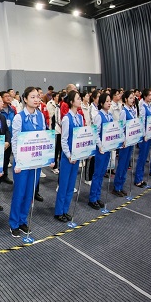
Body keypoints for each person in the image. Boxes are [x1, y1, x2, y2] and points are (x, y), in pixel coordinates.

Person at [9, 87, 47, 237]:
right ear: (25, 99)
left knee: (30, 193)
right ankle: (14, 223)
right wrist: (18, 161)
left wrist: (45, 158)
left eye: (37, 97)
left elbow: (43, 137)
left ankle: (22, 220)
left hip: (35, 160)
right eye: (32, 97)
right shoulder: (19, 117)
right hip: (22, 162)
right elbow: (15, 140)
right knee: (19, 193)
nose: (36, 99)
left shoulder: (41, 116)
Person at [54, 90, 84, 222]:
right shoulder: (66, 118)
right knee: (64, 184)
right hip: (68, 157)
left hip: (76, 156)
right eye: (78, 98)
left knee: (71, 184)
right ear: (71, 102)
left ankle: (65, 210)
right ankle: (59, 211)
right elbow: (64, 140)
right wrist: (68, 155)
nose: (80, 100)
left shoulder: (80, 117)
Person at [89, 92, 113, 208]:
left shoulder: (110, 115)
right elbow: (96, 133)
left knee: (102, 173)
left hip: (107, 148)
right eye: (107, 101)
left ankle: (97, 196)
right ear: (102, 103)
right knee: (97, 174)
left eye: (110, 101)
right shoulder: (99, 116)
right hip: (100, 149)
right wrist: (100, 146)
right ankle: (92, 198)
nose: (109, 103)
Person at [114, 90, 137, 196]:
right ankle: (117, 187)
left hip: (131, 140)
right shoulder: (124, 111)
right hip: (125, 142)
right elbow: (121, 127)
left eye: (133, 98)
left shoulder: (132, 110)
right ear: (126, 99)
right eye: (130, 98)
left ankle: (121, 185)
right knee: (122, 164)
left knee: (126, 164)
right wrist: (123, 139)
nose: (132, 100)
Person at [134, 88, 151, 188]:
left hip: (149, 134)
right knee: (141, 158)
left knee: (145, 156)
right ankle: (138, 179)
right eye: (149, 95)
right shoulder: (143, 108)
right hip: (144, 136)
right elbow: (141, 122)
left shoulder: (149, 106)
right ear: (145, 96)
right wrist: (144, 134)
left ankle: (140, 178)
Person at [0, 91, 16, 184]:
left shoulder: (12, 109)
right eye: (6, 96)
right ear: (1, 98)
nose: (8, 98)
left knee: (7, 158)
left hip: (10, 136)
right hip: (1, 136)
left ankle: (5, 175)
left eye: (9, 96)